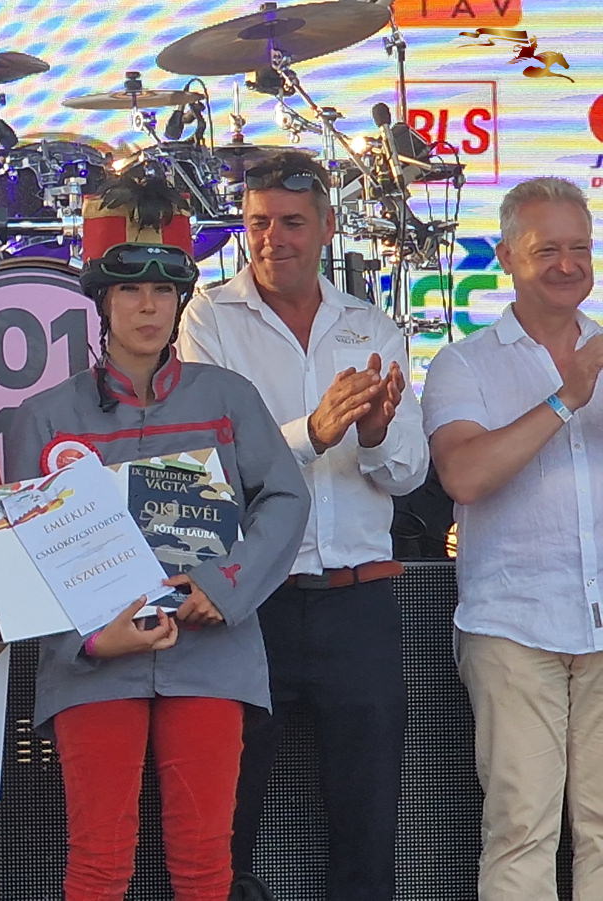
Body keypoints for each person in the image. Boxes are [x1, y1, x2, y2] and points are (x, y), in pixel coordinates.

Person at [4, 185, 309, 900]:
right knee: (98, 863)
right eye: (130, 290)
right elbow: (25, 551)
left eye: (163, 291)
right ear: (101, 301)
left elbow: (287, 498)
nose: (148, 307)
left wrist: (223, 587)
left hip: (210, 656)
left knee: (205, 864)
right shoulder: (42, 417)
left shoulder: (228, 396)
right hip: (94, 664)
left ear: (180, 302)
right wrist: (88, 639)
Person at [176, 151, 427, 900]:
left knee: (368, 825)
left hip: (358, 601)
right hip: (252, 601)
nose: (272, 239)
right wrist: (312, 434)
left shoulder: (370, 323)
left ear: (326, 227)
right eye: (258, 222)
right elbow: (207, 464)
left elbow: (409, 474)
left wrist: (374, 434)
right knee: (226, 825)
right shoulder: (208, 317)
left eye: (290, 222)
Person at [423, 177, 603, 897]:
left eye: (579, 248)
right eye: (546, 249)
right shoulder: (464, 362)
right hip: (514, 623)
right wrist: (567, 398)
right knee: (522, 828)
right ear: (504, 257)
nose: (568, 265)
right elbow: (464, 475)